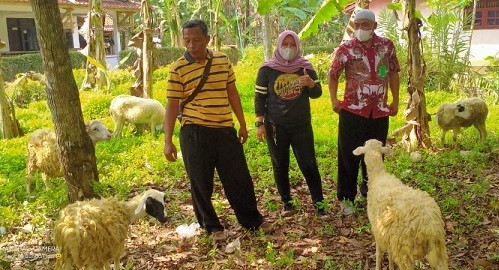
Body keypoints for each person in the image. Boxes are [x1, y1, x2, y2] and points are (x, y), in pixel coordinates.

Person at [163, 19, 272, 239]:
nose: (192, 45)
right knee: (201, 182)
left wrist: (241, 123)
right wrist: (168, 141)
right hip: (195, 132)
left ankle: (252, 221)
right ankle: (211, 226)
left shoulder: (222, 60)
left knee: (239, 178)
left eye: (197, 40)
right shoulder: (177, 68)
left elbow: (232, 92)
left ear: (208, 39)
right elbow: (172, 106)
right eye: (187, 41)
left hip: (225, 130)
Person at [327, 9, 400, 215]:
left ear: (374, 26)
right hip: (353, 111)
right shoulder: (346, 49)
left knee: (375, 155)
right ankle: (347, 198)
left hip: (379, 111)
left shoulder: (386, 46)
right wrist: (334, 99)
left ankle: (371, 191)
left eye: (365, 25)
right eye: (357, 25)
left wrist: (395, 99)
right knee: (349, 155)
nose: (360, 29)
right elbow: (333, 75)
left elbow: (393, 72)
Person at [254, 30, 327, 216]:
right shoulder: (267, 69)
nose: (288, 48)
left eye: (292, 45)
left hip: (301, 125)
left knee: (309, 164)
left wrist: (310, 84)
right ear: (278, 46)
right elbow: (259, 98)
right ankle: (287, 202)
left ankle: (319, 203)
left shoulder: (305, 67)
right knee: (280, 164)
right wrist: (260, 124)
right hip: (275, 126)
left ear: (297, 46)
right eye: (285, 45)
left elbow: (317, 94)